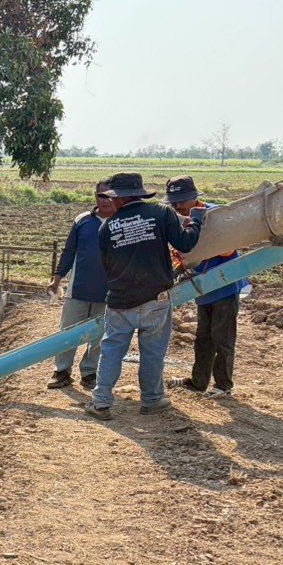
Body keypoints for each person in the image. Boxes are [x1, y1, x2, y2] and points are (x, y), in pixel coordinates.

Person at [87, 172, 204, 420]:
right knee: (152, 353)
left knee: (111, 351)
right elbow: (185, 244)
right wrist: (196, 219)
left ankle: (100, 403)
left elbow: (107, 265)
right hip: (155, 298)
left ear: (119, 199)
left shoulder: (106, 227)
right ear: (138, 194)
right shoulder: (161, 213)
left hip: (120, 301)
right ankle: (151, 399)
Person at [165, 175, 244, 397]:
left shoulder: (215, 215)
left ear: (194, 197)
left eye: (181, 201)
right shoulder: (179, 219)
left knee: (223, 338)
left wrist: (197, 249)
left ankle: (223, 386)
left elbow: (228, 249)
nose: (177, 206)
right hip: (201, 286)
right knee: (203, 338)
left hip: (224, 285)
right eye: (173, 203)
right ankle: (198, 382)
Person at [46, 180, 114, 389]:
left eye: (110, 196)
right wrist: (57, 279)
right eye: (102, 196)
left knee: (100, 336)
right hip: (78, 288)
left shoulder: (122, 221)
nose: (106, 200)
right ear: (95, 197)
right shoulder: (82, 220)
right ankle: (62, 371)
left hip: (109, 291)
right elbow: (69, 251)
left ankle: (90, 372)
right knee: (67, 332)